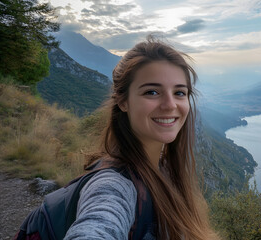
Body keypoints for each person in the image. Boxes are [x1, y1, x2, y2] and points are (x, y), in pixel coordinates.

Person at [63, 36, 219, 240]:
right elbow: (98, 225)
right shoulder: (112, 185)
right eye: (152, 92)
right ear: (123, 101)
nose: (170, 105)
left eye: (180, 92)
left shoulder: (164, 169)